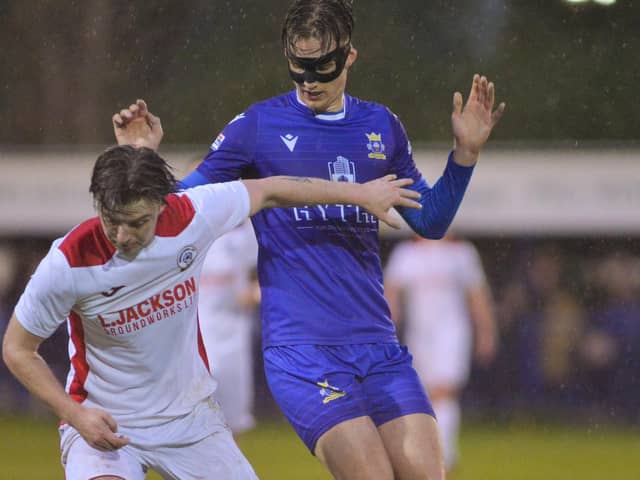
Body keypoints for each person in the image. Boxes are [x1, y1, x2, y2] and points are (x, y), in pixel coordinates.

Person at [112, 1, 505, 477]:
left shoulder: (381, 127)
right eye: (300, 68)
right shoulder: (258, 127)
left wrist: (464, 155)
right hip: (303, 351)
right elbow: (181, 207)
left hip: (378, 346)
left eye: (324, 66)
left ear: (350, 57)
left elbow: (432, 223)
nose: (311, 80)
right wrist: (141, 159)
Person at [1, 144, 421, 480]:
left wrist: (359, 194)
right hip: (105, 423)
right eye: (112, 221)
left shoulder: (193, 216)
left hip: (190, 420)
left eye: (137, 222)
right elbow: (18, 349)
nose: (122, 236)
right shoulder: (68, 262)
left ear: (163, 205)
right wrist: (75, 416)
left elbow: (272, 188)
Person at [384, 233, 497, 474]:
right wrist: (387, 330)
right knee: (423, 396)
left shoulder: (462, 254)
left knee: (444, 391)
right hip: (419, 335)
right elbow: (390, 295)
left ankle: (444, 456)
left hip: (452, 333)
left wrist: (486, 332)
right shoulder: (406, 254)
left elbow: (477, 296)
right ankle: (427, 454)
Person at [198, 220, 260, 434]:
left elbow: (261, 276)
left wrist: (255, 293)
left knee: (232, 421)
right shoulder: (194, 230)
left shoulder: (248, 234)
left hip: (234, 337)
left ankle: (230, 466)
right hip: (196, 337)